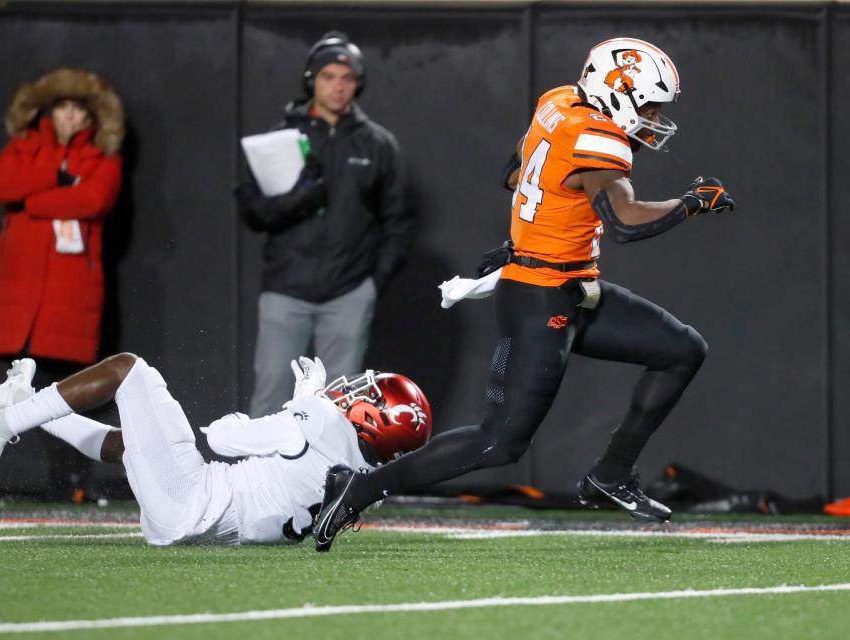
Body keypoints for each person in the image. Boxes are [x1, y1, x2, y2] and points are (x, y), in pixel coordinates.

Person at [312, 37, 736, 551]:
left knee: (682, 350)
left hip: (572, 286)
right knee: (499, 441)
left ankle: (611, 474)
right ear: (618, 91)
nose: (653, 117)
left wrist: (524, 239)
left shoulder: (559, 102)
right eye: (648, 103)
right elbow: (624, 221)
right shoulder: (598, 136)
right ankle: (357, 487)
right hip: (542, 297)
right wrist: (693, 202)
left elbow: (517, 172)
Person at [0, 355, 431, 546]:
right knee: (138, 442)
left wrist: (297, 407)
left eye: (367, 396)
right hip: (207, 526)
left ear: (378, 418)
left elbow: (220, 436)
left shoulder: (321, 421)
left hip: (194, 498)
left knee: (129, 370)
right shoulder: (369, 484)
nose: (352, 393)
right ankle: (24, 404)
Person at [235, 32, 413, 417]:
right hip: (286, 289)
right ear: (311, 80)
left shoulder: (379, 145)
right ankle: (260, 479)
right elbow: (252, 211)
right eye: (328, 76)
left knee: (339, 407)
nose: (338, 86)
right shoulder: (280, 140)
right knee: (270, 398)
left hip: (348, 293)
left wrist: (371, 284)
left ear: (358, 84)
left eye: (347, 78)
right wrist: (296, 199)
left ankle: (331, 479)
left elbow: (398, 222)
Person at [0, 68, 124, 367]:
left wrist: (31, 203)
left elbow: (92, 200)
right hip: (19, 273)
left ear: (91, 115)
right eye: (62, 107)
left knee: (60, 377)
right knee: (13, 377)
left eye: (78, 108)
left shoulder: (104, 156)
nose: (70, 116)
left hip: (71, 279)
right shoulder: (26, 146)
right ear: (49, 111)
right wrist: (53, 176)